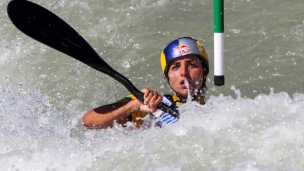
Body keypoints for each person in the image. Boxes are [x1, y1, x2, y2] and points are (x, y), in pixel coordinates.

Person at [82, 37, 209, 129]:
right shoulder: (150, 104)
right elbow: (89, 121)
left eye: (192, 65)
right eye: (175, 67)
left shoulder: (219, 112)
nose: (183, 72)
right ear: (168, 77)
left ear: (204, 72)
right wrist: (134, 106)